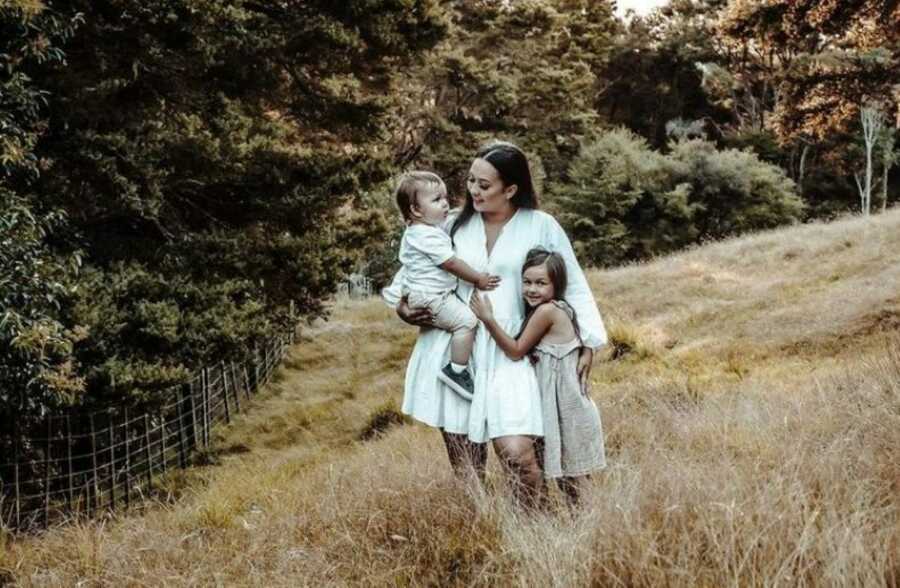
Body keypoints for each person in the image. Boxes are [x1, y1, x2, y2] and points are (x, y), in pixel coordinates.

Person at [383, 141, 606, 506]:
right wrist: (401, 307)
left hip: (512, 349)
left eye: (484, 185)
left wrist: (586, 341)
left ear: (511, 189)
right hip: (456, 348)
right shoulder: (452, 224)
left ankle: (539, 532)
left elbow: (574, 284)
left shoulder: (540, 225)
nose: (473, 190)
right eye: (470, 180)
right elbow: (414, 269)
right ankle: (485, 533)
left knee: (519, 455)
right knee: (467, 463)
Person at [469, 247, 606, 505]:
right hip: (565, 407)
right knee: (570, 482)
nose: (532, 289)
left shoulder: (547, 312)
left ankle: (592, 532)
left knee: (575, 484)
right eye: (527, 282)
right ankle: (582, 531)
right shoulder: (554, 309)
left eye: (541, 283)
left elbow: (516, 350)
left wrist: (488, 319)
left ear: (557, 285)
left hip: (570, 409)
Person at [394, 171, 501, 400]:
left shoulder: (421, 231)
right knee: (466, 322)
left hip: (426, 294)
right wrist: (478, 279)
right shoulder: (426, 236)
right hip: (432, 297)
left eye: (445, 197)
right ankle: (456, 370)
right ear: (415, 210)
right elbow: (451, 263)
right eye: (436, 200)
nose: (445, 204)